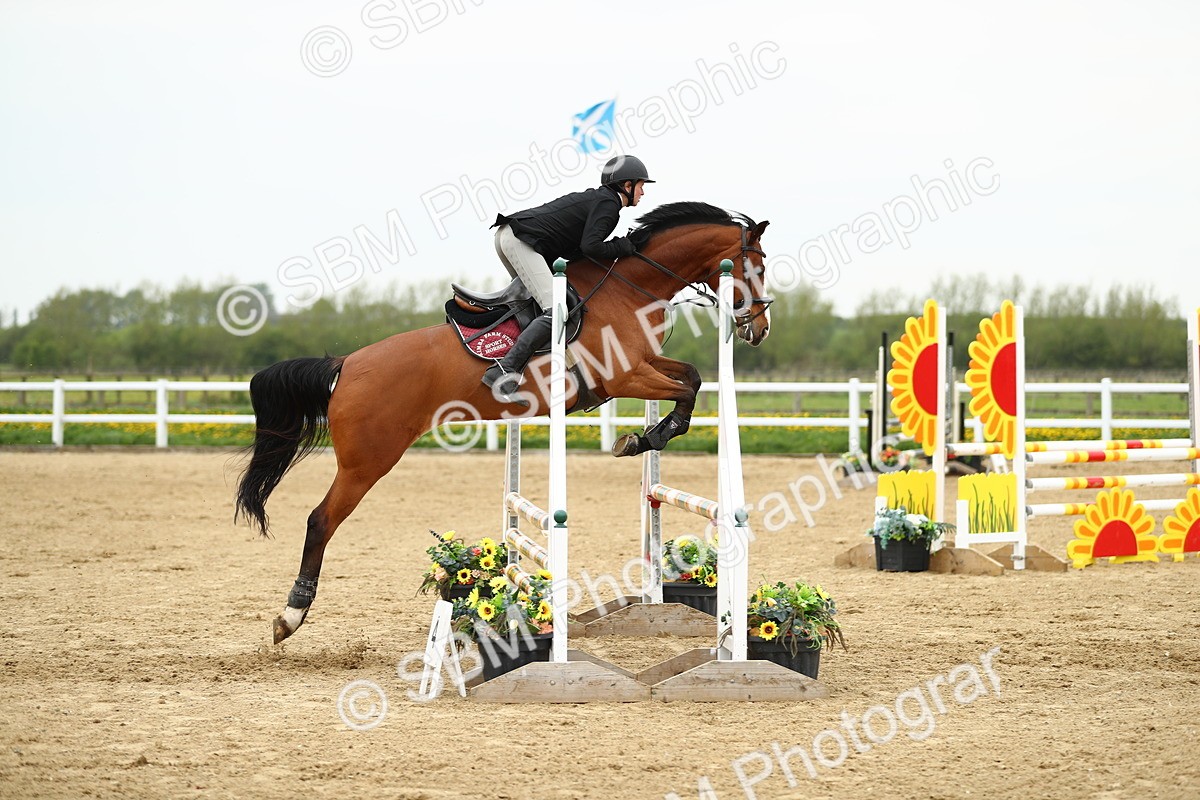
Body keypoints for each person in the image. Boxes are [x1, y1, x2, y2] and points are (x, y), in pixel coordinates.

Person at [481, 154, 654, 406]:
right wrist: (624, 246)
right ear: (627, 186)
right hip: (521, 241)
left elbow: (579, 251)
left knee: (541, 306)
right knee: (557, 310)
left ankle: (520, 363)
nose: (642, 192)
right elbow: (592, 247)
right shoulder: (609, 205)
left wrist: (619, 246)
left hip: (512, 236)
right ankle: (503, 373)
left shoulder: (601, 200)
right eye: (641, 186)